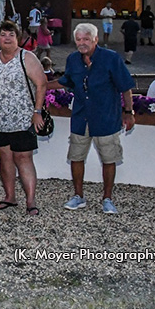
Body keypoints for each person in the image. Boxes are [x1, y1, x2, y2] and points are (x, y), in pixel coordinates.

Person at [50, 23, 135, 215]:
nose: (82, 43)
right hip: (81, 117)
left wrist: (128, 112)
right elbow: (66, 81)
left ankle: (107, 198)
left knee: (109, 158)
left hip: (105, 117)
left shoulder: (111, 58)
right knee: (76, 156)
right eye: (79, 39)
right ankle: (78, 195)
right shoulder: (73, 60)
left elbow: (125, 86)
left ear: (95, 39)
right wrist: (40, 84)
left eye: (86, 39)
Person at [0, 20, 46, 216]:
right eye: (3, 35)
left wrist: (37, 112)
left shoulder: (26, 57)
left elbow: (41, 84)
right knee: (4, 158)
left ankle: (30, 200)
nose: (7, 38)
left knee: (23, 158)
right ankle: (9, 196)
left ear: (18, 37)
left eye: (11, 35)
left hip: (22, 118)